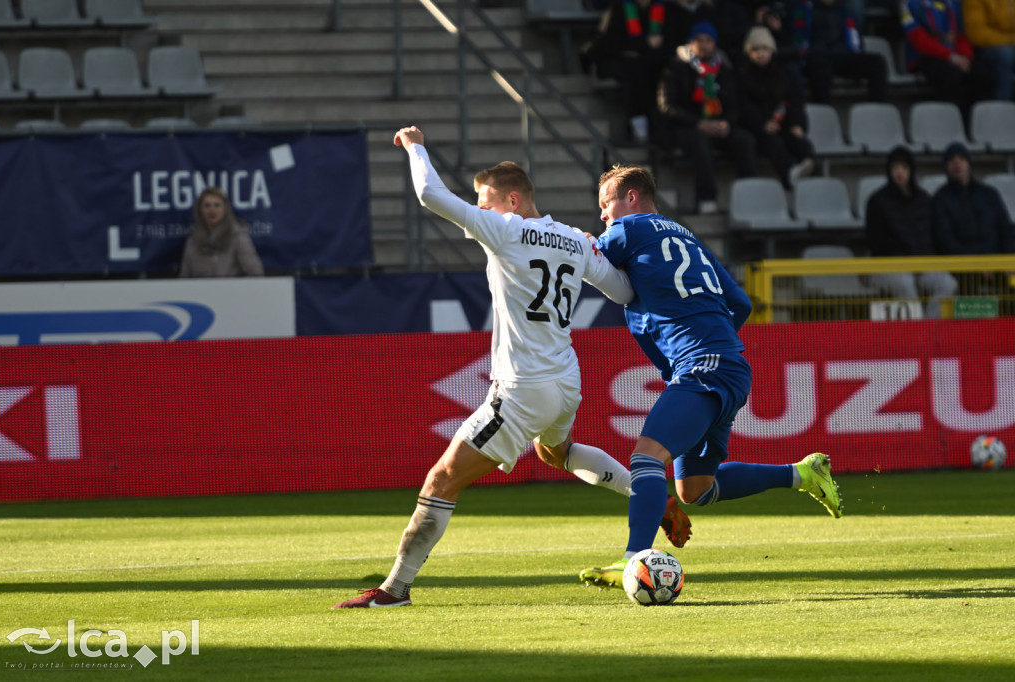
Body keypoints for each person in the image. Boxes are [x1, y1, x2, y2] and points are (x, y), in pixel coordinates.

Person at [331, 127, 691, 609]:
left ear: (513, 199)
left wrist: (416, 145)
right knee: (555, 453)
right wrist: (595, 249)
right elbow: (624, 292)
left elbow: (428, 194)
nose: (478, 212)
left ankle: (393, 590)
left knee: (441, 481)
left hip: (523, 387)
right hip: (566, 379)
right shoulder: (574, 239)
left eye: (485, 202)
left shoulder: (503, 229)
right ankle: (649, 493)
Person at [577, 164, 842, 589]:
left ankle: (632, 560)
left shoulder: (630, 229)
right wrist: (707, 332)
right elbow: (740, 302)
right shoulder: (687, 237)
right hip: (728, 365)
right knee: (695, 490)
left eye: (606, 205)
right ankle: (802, 474)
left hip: (703, 366)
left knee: (646, 457)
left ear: (630, 198)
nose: (604, 216)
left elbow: (585, 256)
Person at [656, 21, 757, 214]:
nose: (703, 44)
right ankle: (706, 198)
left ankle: (748, 199)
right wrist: (698, 123)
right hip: (685, 127)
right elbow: (667, 105)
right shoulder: (676, 66)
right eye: (698, 40)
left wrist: (727, 122)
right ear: (690, 42)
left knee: (745, 141)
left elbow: (735, 104)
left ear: (715, 44)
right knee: (699, 141)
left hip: (717, 124)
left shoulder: (723, 68)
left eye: (708, 40)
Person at [865, 146, 959, 318]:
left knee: (948, 284)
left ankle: (928, 330)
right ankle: (918, 337)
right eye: (895, 168)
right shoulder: (877, 201)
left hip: (923, 265)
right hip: (889, 267)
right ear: (889, 171)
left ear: (911, 170)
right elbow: (875, 243)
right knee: (905, 284)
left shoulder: (924, 199)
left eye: (904, 168)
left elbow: (931, 235)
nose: (900, 172)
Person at [580, 0, 682, 143]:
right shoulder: (619, 8)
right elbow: (608, 43)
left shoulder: (664, 9)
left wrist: (645, 49)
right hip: (623, 64)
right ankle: (638, 123)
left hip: (656, 62)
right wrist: (644, 44)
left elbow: (670, 43)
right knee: (636, 71)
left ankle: (665, 132)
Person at [737, 25, 816, 189]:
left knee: (801, 143)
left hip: (784, 124)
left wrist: (797, 124)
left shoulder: (783, 73)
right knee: (773, 142)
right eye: (755, 49)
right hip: (758, 130)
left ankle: (814, 179)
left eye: (765, 48)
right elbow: (743, 107)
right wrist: (762, 124)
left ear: (772, 50)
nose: (760, 53)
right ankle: (789, 174)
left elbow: (795, 101)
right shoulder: (741, 75)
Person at [788, 0, 888, 104]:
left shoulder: (843, 9)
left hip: (841, 55)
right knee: (821, 68)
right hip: (815, 57)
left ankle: (876, 106)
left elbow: (853, 38)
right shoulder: (803, 9)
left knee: (877, 62)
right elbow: (799, 41)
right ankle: (823, 109)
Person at [901, 0, 986, 119]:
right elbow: (918, 39)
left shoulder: (954, 3)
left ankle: (970, 124)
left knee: (982, 74)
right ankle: (944, 122)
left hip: (956, 57)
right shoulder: (909, 4)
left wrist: (965, 57)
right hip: (924, 57)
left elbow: (962, 34)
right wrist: (952, 57)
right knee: (951, 75)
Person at [932, 142, 1015, 255]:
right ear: (946, 167)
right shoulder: (940, 199)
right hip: (962, 267)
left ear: (969, 164)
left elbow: (1005, 230)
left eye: (961, 159)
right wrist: (976, 264)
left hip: (998, 264)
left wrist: (1008, 260)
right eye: (951, 160)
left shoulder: (989, 194)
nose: (957, 164)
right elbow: (945, 241)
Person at [178, 187, 264, 277]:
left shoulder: (238, 237)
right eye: (207, 205)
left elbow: (256, 273)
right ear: (200, 209)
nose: (212, 210)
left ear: (225, 209)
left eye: (217, 205)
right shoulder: (192, 241)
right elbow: (184, 277)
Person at [963, 0, 1015, 101]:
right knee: (1005, 56)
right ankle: (1002, 110)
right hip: (986, 48)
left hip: (1010, 46)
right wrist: (1009, 41)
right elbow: (976, 34)